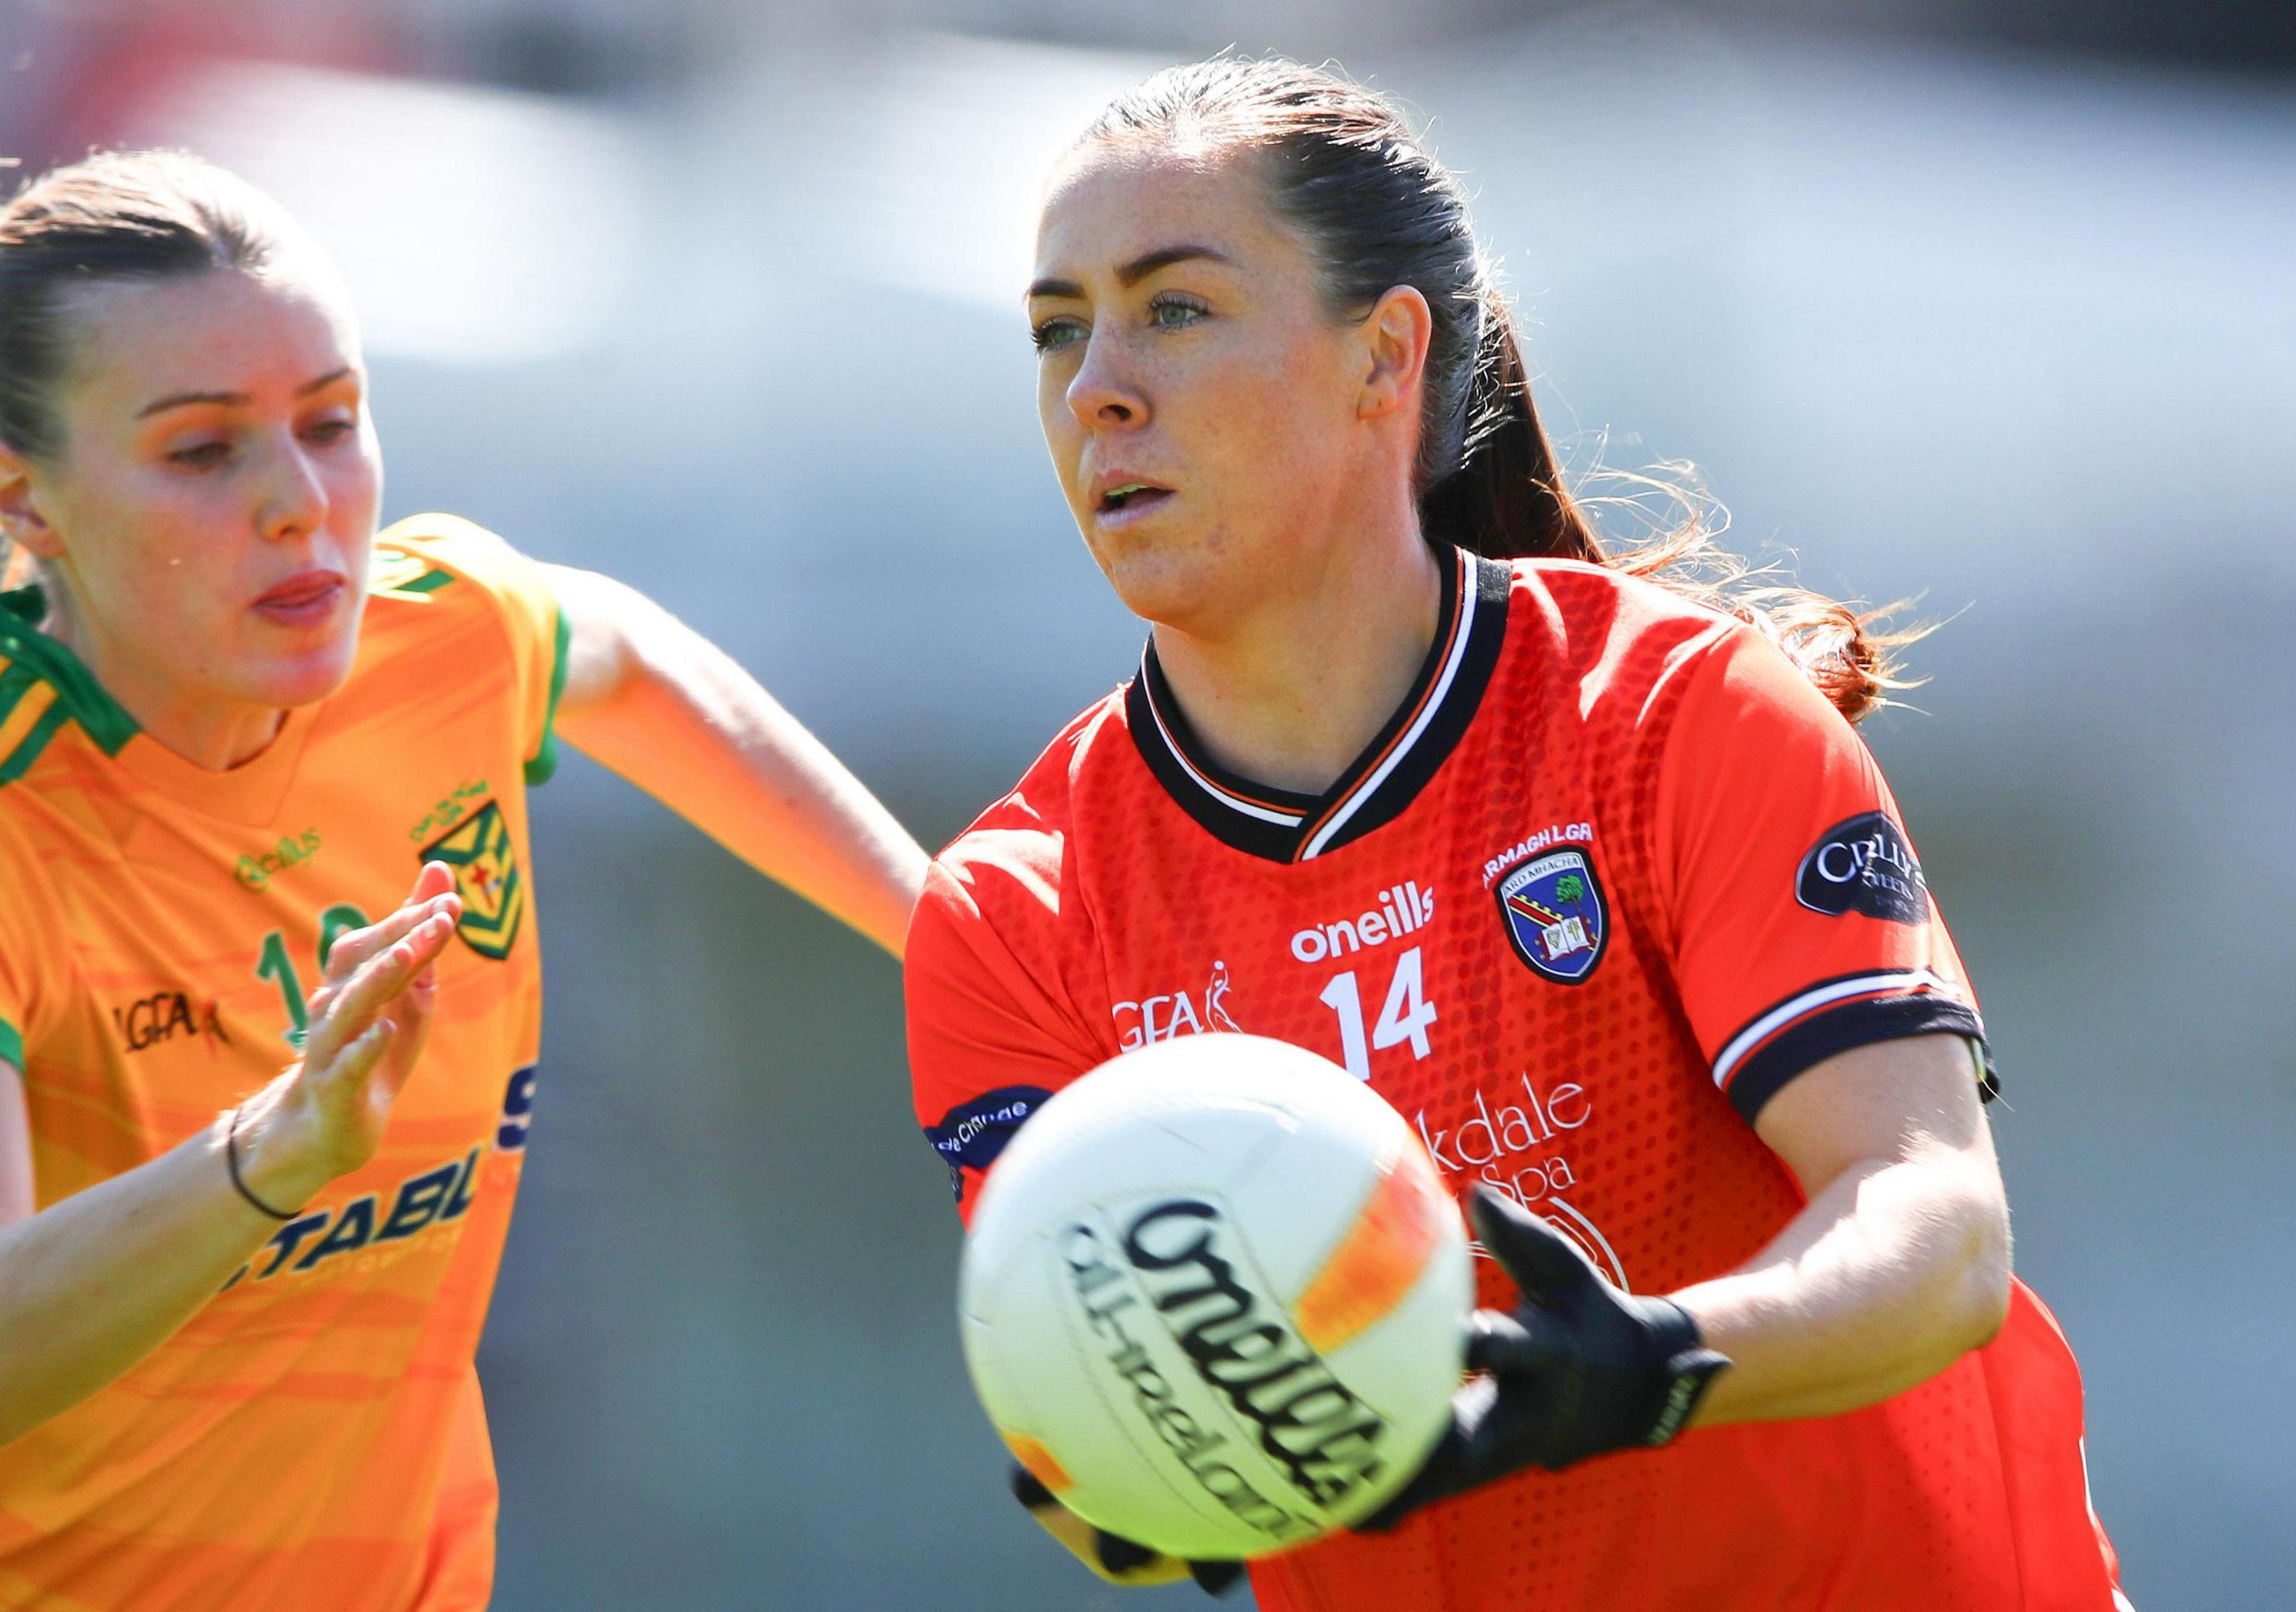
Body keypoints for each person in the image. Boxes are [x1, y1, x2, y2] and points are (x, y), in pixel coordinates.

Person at [0, 25, 924, 1612]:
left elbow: (625, 657)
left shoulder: (432, 640)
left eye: (331, 417)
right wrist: (274, 1153)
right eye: (202, 449)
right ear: (29, 504)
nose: (299, 501)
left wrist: (947, 943)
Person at [903, 57, 2129, 1611]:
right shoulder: (1013, 919)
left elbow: (1939, 1231)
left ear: (1384, 356)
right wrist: (1115, 1460)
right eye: (1058, 330)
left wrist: (1656, 1363)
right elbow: (1087, 1387)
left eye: (1178, 308)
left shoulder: (1665, 713)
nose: (1099, 389)